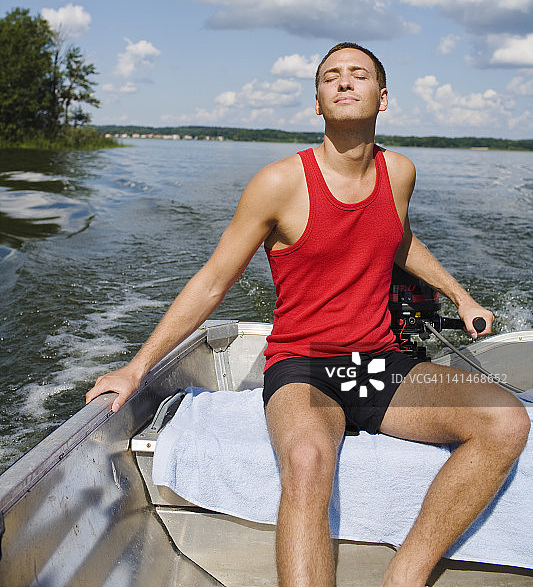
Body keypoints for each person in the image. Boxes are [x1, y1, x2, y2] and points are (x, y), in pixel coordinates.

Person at [86, 42, 530, 587]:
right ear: (317, 102)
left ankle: (405, 577)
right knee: (306, 461)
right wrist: (138, 365)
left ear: (382, 98)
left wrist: (460, 296)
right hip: (304, 364)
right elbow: (213, 280)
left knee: (505, 419)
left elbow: (395, 239)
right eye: (330, 78)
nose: (344, 82)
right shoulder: (279, 184)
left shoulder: (400, 173)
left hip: (380, 364)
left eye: (358, 75)